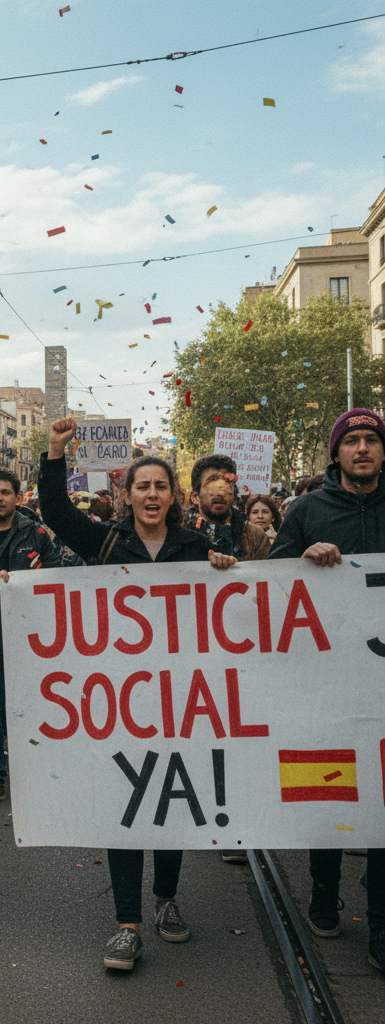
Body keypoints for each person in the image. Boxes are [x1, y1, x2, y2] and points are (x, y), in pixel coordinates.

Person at [38, 417, 237, 971]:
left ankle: (165, 899)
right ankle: (127, 923)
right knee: (125, 805)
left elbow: (231, 612)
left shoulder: (199, 546)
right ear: (126, 495)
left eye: (161, 486)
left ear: (175, 496)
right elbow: (54, 513)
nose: (151, 495)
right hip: (119, 702)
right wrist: (56, 452)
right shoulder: (105, 542)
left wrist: (225, 570)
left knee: (171, 800)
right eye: (142, 486)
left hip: (179, 701)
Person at [268, 408, 385, 975]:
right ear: (336, 453)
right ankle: (323, 887)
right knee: (330, 786)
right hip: (324, 680)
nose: (362, 449)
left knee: (383, 798)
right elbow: (269, 576)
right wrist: (301, 559)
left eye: (371, 440)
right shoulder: (308, 510)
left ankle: (382, 924)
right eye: (352, 441)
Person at [0, 467, 82, 810]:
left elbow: (57, 577)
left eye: (5, 493)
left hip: (31, 639)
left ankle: (41, 776)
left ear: (17, 497)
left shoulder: (37, 533)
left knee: (35, 709)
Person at [185, 454, 271, 562]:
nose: (221, 492)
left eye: (227, 484)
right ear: (195, 497)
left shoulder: (256, 536)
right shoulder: (179, 536)